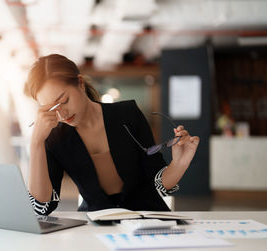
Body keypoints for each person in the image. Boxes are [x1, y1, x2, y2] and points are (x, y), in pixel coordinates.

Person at [26, 54, 200, 215]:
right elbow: (42, 207)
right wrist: (36, 143)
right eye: (51, 110)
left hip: (147, 219)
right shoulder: (54, 137)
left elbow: (158, 185)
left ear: (80, 82)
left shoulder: (127, 114)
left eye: (64, 101)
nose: (62, 114)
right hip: (94, 227)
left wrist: (180, 162)